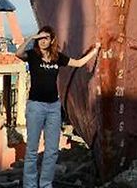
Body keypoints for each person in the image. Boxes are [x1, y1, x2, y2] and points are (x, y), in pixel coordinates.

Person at [15, 26, 99, 188]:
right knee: (32, 149)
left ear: (52, 40)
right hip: (36, 107)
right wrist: (31, 37)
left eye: (46, 38)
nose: (42, 41)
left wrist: (95, 51)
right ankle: (30, 185)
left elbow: (79, 63)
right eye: (40, 38)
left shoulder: (57, 57)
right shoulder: (32, 56)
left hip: (53, 107)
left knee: (52, 151)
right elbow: (18, 53)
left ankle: (46, 184)